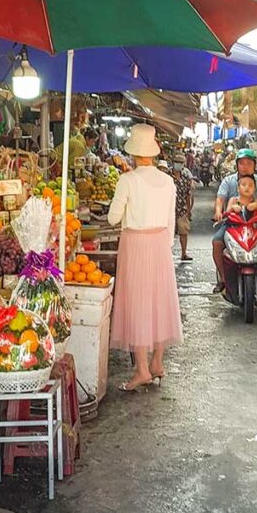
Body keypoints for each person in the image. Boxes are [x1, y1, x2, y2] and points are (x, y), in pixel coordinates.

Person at [108, 124, 182, 392]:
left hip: (136, 244)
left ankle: (141, 369)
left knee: (137, 303)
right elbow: (171, 220)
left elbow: (112, 218)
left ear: (133, 154)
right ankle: (157, 363)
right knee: (159, 301)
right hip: (160, 243)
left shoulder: (127, 180)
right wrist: (166, 245)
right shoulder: (168, 181)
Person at [212, 149, 257, 294]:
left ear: (254, 165)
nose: (245, 166)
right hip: (232, 224)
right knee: (217, 242)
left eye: (249, 163)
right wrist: (218, 212)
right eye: (242, 163)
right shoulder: (228, 181)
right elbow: (220, 199)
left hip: (255, 224)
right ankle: (223, 279)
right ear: (237, 165)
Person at [172, 153, 194, 261]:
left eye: (180, 163)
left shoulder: (185, 177)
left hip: (182, 208)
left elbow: (188, 194)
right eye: (177, 162)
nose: (178, 164)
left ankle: (184, 253)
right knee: (168, 233)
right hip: (169, 209)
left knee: (183, 231)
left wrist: (189, 210)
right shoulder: (167, 176)